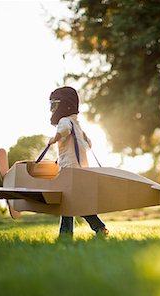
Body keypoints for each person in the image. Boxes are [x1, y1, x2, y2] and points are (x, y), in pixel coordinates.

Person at [48, 86, 109, 237]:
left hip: (69, 169)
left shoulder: (65, 121)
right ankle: (98, 228)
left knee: (67, 203)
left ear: (64, 105)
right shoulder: (77, 124)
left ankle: (67, 234)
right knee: (75, 203)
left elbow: (63, 131)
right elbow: (88, 144)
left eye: (55, 105)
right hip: (80, 169)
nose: (53, 109)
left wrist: (53, 139)